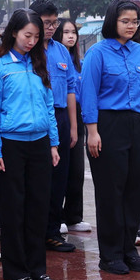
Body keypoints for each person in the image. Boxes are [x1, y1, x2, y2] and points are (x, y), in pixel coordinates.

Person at [81, 0, 140, 276]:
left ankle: (130, 249)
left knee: (136, 188)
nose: (131, 25)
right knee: (111, 191)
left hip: (138, 123)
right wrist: (92, 132)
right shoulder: (97, 53)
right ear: (112, 21)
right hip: (107, 124)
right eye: (125, 20)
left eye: (135, 21)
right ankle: (110, 254)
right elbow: (87, 94)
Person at [0, 9, 60, 280]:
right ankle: (16, 269)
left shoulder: (40, 65)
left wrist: (53, 143)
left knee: (39, 206)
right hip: (11, 145)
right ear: (14, 33)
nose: (31, 41)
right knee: (13, 208)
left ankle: (37, 266)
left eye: (36, 36)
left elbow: (49, 107)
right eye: (27, 35)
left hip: (40, 143)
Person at [28, 0, 77, 254]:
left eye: (54, 23)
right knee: (38, 178)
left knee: (60, 177)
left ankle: (52, 231)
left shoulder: (61, 51)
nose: (51, 27)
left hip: (60, 117)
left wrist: (73, 127)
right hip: (35, 118)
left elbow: (70, 89)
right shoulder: (29, 51)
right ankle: (33, 231)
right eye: (46, 23)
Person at [54, 19, 91, 234]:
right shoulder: (55, 57)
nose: (71, 36)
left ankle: (74, 215)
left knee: (76, 169)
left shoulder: (80, 64)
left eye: (73, 32)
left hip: (77, 114)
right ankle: (56, 216)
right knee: (59, 168)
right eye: (66, 32)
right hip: (59, 112)